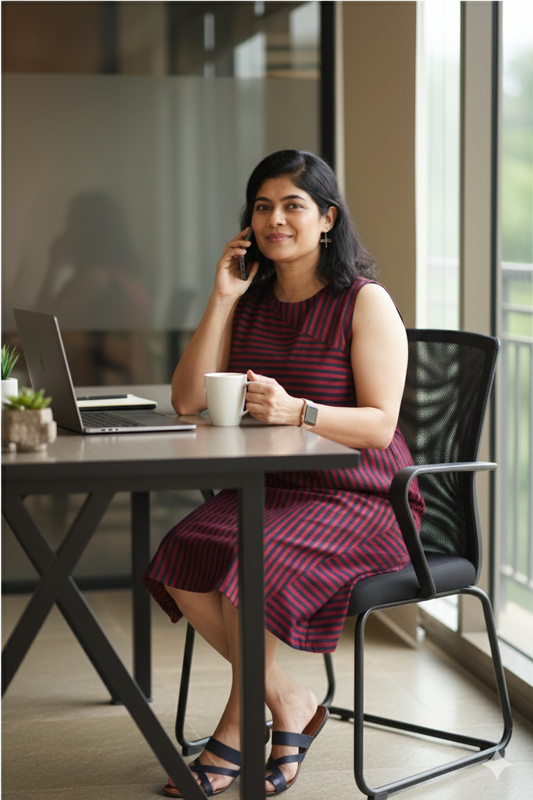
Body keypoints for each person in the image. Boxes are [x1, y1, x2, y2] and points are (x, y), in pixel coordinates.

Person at [143, 149, 425, 797]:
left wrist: (300, 410)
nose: (275, 219)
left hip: (363, 496)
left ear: (326, 219)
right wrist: (221, 298)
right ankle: (290, 700)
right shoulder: (251, 301)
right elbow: (187, 400)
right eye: (262, 207)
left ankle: (236, 731)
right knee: (177, 556)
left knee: (251, 562)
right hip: (272, 489)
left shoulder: (363, 302)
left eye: (293, 205)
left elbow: (380, 425)